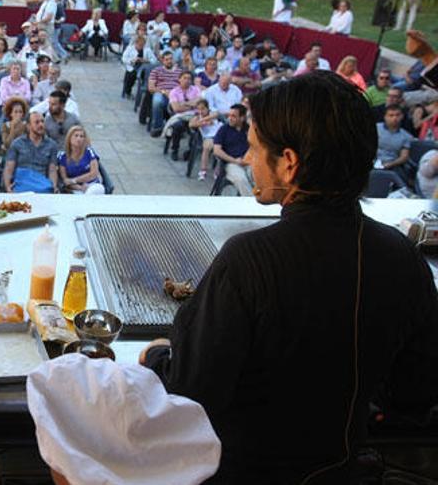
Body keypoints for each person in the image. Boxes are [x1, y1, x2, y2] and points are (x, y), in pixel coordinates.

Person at [141, 70, 438, 483]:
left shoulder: (249, 260)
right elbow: (415, 394)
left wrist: (156, 355)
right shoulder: (403, 257)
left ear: (289, 163)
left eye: (254, 147)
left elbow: (188, 394)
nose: (247, 158)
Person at [3, 112, 59, 193]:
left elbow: (52, 170)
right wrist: (8, 187)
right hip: (22, 183)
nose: (41, 125)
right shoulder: (17, 143)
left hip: (42, 184)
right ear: (28, 126)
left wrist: (54, 186)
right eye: (37, 122)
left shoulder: (51, 145)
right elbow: (9, 168)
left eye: (42, 121)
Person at [212, 103, 251, 195]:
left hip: (249, 162)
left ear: (242, 118)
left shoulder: (249, 129)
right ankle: (252, 204)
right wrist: (235, 160)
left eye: (233, 116)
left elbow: (257, 147)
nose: (230, 118)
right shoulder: (224, 129)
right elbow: (216, 150)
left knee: (259, 177)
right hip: (231, 163)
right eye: (229, 115)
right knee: (241, 179)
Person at [57, 125, 104, 194]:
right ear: (69, 138)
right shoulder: (62, 156)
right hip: (76, 188)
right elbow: (65, 180)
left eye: (81, 136)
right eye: (76, 136)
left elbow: (94, 173)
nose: (79, 138)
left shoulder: (89, 152)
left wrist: (74, 180)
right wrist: (80, 187)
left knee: (95, 191)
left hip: (92, 185)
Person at [148, 51, 182, 136]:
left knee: (182, 101)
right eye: (167, 59)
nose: (169, 61)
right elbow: (151, 88)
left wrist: (173, 93)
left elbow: (185, 86)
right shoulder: (156, 71)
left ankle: (177, 129)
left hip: (176, 94)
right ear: (162, 61)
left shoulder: (180, 71)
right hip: (161, 92)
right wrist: (163, 91)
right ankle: (157, 128)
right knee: (157, 101)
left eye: (171, 59)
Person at [376, 105, 414, 177]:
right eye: (391, 115)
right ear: (385, 117)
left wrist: (388, 165)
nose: (394, 118)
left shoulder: (406, 136)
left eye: (397, 115)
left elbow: (404, 157)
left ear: (402, 116)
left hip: (392, 165)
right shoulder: (376, 128)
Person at [188, 98, 222, 180]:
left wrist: (205, 119)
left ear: (207, 108)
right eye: (199, 109)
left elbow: (217, 114)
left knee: (221, 149)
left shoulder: (212, 113)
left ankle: (217, 172)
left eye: (203, 108)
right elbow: (191, 125)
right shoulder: (197, 117)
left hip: (220, 134)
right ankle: (203, 171)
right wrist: (201, 123)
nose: (201, 111)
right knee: (207, 147)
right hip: (209, 137)